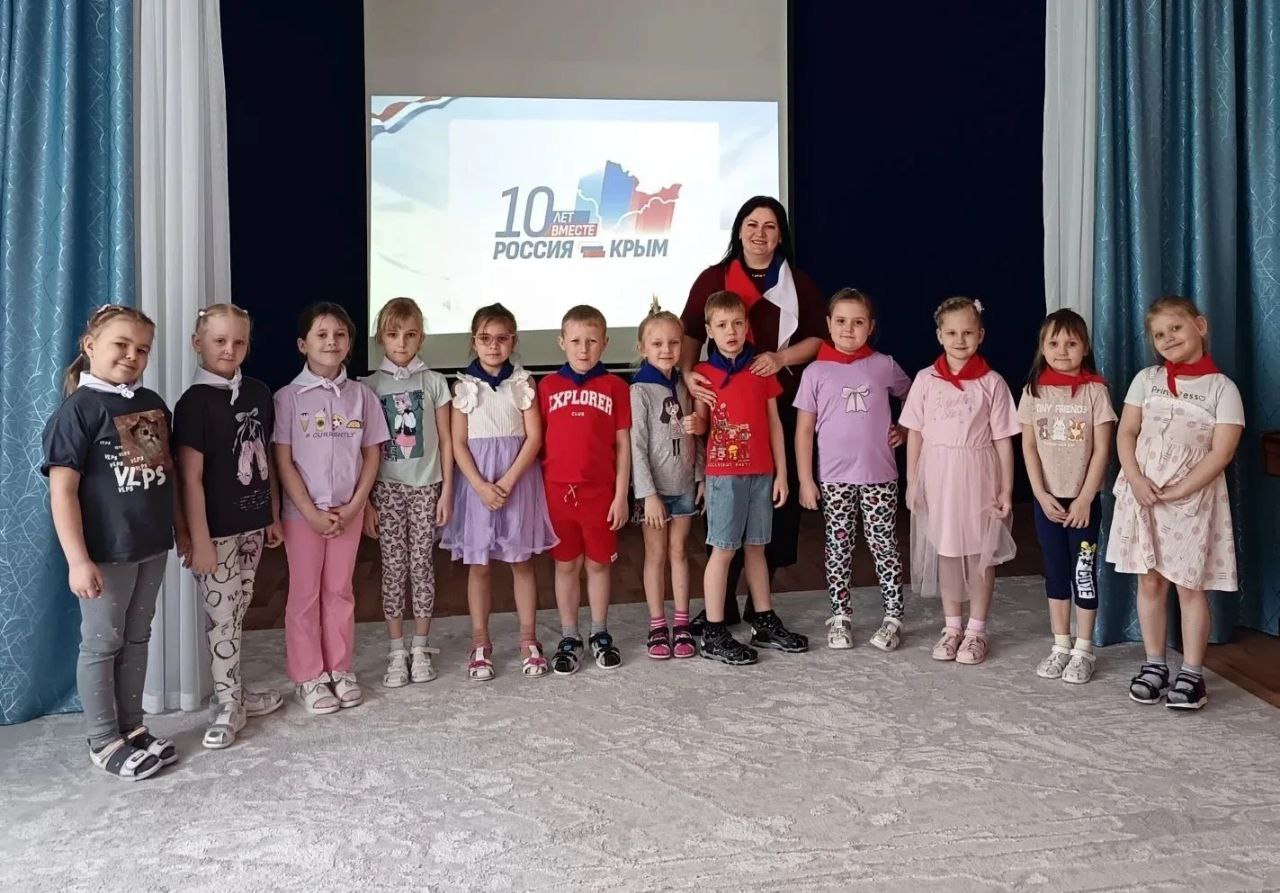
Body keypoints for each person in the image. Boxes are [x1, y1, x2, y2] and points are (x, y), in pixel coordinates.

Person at [42, 305, 189, 779]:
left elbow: (165, 475)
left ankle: (132, 727)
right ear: (90, 346)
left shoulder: (151, 402)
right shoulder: (78, 411)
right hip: (107, 552)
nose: (132, 355)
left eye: (142, 349)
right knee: (102, 643)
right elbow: (62, 492)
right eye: (121, 345)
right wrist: (77, 560)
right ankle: (103, 739)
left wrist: (180, 530)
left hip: (152, 545)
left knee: (138, 637)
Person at [679, 196, 825, 632]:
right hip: (725, 406)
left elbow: (818, 339)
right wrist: (687, 376)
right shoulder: (714, 278)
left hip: (778, 401)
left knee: (771, 519)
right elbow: (689, 334)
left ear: (781, 235)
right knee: (725, 521)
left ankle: (760, 608)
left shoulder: (797, 282)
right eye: (752, 224)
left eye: (770, 226)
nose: (760, 233)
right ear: (739, 230)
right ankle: (719, 606)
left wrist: (780, 360)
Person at [1108, 296, 1244, 710]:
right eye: (1158, 334)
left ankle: (1192, 674)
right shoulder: (1146, 380)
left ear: (1199, 326)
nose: (1167, 338)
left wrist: (1180, 489)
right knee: (1150, 580)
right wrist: (1135, 479)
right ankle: (1154, 664)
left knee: (1188, 585)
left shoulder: (1221, 388)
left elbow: (1222, 452)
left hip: (1191, 500)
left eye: (1176, 328)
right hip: (1143, 495)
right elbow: (1126, 432)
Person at [174, 303, 284, 749]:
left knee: (238, 611)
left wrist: (271, 514)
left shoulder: (258, 391)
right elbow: (190, 478)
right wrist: (199, 539)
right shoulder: (193, 403)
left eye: (239, 341)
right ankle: (226, 704)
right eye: (219, 341)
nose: (229, 349)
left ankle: (236, 693)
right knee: (221, 617)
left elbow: (266, 458)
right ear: (197, 343)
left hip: (252, 525)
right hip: (215, 532)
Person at [274, 302, 389, 714]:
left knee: (340, 591)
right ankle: (309, 676)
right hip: (303, 516)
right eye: (321, 335)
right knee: (304, 595)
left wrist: (357, 504)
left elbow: (372, 454)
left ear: (350, 344)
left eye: (340, 335)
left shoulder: (362, 397)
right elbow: (283, 460)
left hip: (348, 513)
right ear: (302, 344)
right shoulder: (287, 398)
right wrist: (308, 511)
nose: (331, 342)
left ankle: (339, 668)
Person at [441, 303, 558, 681]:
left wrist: (506, 482)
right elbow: (458, 443)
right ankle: (480, 641)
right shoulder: (463, 387)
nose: (493, 346)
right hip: (477, 486)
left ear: (514, 341)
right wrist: (479, 485)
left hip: (516, 483)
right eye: (485, 338)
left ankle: (528, 639)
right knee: (479, 565)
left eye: (502, 338)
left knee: (521, 562)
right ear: (473, 341)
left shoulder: (522, 384)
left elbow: (534, 437)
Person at [900, 296, 1018, 666]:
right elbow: (915, 433)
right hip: (938, 473)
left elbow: (1003, 439)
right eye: (951, 333)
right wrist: (913, 480)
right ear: (939, 335)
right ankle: (952, 626)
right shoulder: (926, 380)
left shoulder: (992, 383)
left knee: (979, 553)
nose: (960, 340)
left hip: (978, 473)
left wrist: (1006, 488)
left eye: (968, 332)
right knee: (948, 549)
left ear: (980, 334)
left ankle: (977, 629)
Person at [694, 290, 809, 664]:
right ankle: (714, 632)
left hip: (761, 473)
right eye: (722, 325)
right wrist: (693, 423)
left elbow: (774, 423)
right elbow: (701, 425)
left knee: (758, 546)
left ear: (747, 327)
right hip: (724, 476)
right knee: (724, 549)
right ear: (709, 330)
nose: (731, 332)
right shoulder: (703, 375)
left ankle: (763, 619)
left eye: (737, 324)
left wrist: (782, 474)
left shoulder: (761, 370)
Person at [795, 288, 911, 651]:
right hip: (834, 477)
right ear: (828, 324)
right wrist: (805, 479)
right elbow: (803, 430)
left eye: (858, 322)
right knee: (838, 546)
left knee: (883, 544)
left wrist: (905, 428)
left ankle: (893, 616)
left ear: (870, 327)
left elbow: (912, 396)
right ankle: (840, 615)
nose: (848, 329)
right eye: (841, 321)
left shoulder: (883, 365)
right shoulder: (815, 371)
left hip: (879, 474)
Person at [1018, 309, 1115, 685]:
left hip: (1082, 503)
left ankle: (1084, 648)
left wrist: (1085, 497)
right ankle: (1061, 644)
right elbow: (1028, 446)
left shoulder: (1095, 392)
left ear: (1085, 347)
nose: (1062, 350)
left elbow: (1103, 449)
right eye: (1054, 343)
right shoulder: (1033, 391)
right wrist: (1040, 494)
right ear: (1042, 348)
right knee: (1056, 570)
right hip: (1048, 502)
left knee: (1083, 573)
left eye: (1071, 343)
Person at [361, 298, 454, 688]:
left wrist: (447, 491)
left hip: (425, 488)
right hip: (386, 490)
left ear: (421, 338)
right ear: (381, 337)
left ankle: (420, 645)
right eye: (393, 334)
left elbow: (447, 441)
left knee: (422, 565)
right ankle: (397, 649)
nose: (402, 342)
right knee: (393, 567)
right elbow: (363, 450)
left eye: (410, 334)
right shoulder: (368, 387)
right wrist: (367, 502)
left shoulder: (434, 383)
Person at [539, 305, 632, 674]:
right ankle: (569, 635)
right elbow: (537, 443)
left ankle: (599, 631)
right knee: (566, 565)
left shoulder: (615, 387)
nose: (583, 349)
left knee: (597, 564)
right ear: (561, 342)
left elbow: (623, 445)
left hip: (600, 494)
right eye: (576, 341)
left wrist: (621, 495)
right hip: (557, 494)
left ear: (605, 343)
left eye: (592, 341)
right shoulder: (547, 387)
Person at [629, 300, 705, 660]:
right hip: (655, 494)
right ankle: (658, 624)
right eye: (657, 343)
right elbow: (636, 447)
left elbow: (695, 437)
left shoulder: (685, 385)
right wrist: (647, 495)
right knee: (656, 555)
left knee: (680, 553)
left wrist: (700, 475)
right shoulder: (639, 391)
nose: (666, 350)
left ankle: (682, 622)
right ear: (642, 348)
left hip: (684, 485)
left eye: (674, 343)